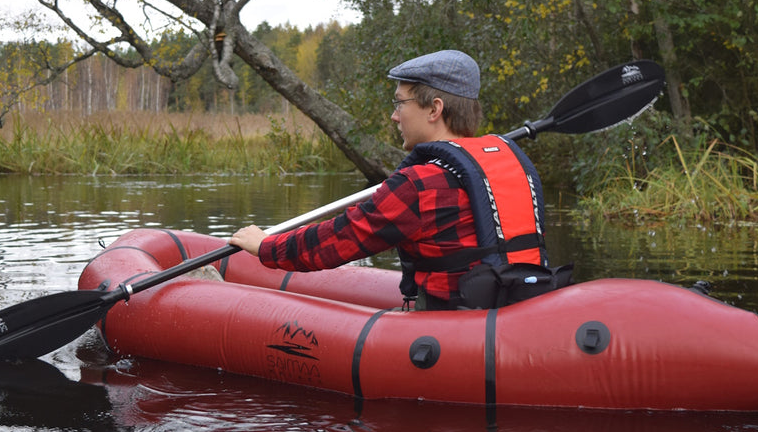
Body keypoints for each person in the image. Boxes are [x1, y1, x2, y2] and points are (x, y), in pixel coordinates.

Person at [229, 49, 551, 310]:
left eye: (400, 103)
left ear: (434, 109)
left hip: (455, 331)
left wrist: (267, 247)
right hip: (512, 308)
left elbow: (338, 240)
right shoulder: (506, 166)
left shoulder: (418, 186)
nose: (394, 115)